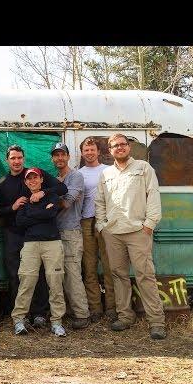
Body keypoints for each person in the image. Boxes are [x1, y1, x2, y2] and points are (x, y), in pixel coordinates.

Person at [95, 133, 166, 340]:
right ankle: (125, 316)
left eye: (123, 144)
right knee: (119, 276)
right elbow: (99, 202)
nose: (120, 148)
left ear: (129, 147)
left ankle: (157, 322)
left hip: (138, 232)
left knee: (145, 275)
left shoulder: (143, 168)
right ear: (110, 151)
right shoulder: (106, 174)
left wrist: (149, 225)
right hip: (113, 233)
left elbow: (153, 195)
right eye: (115, 146)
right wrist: (102, 226)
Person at [0, 145, 68, 328]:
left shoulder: (35, 174)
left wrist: (44, 192)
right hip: (14, 233)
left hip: (40, 235)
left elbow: (61, 188)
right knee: (17, 275)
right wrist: (12, 208)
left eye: (19, 157)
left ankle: (39, 313)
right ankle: (21, 316)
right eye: (13, 158)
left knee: (42, 275)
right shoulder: (2, 183)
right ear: (7, 161)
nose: (16, 161)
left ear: (23, 158)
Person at [10, 168, 67, 337]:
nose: (32, 181)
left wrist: (34, 214)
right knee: (26, 281)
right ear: (26, 182)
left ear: (42, 180)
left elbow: (52, 214)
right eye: (29, 179)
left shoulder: (52, 197)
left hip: (53, 243)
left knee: (55, 282)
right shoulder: (24, 201)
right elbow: (20, 221)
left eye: (36, 178)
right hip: (30, 244)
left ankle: (57, 322)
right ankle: (19, 320)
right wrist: (43, 212)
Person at [50, 143, 90, 329]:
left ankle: (82, 314)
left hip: (70, 231)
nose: (59, 158)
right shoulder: (56, 179)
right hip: (54, 232)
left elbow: (67, 202)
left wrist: (45, 202)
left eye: (62, 155)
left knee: (73, 274)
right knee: (58, 275)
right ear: (52, 158)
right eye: (56, 155)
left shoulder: (76, 176)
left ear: (68, 157)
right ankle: (66, 312)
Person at [79, 137, 116, 322]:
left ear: (98, 152)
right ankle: (95, 308)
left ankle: (111, 307)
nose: (89, 153)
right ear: (82, 153)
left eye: (92, 149)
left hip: (106, 222)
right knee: (90, 266)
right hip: (86, 222)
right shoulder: (80, 174)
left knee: (109, 266)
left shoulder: (108, 171)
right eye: (86, 150)